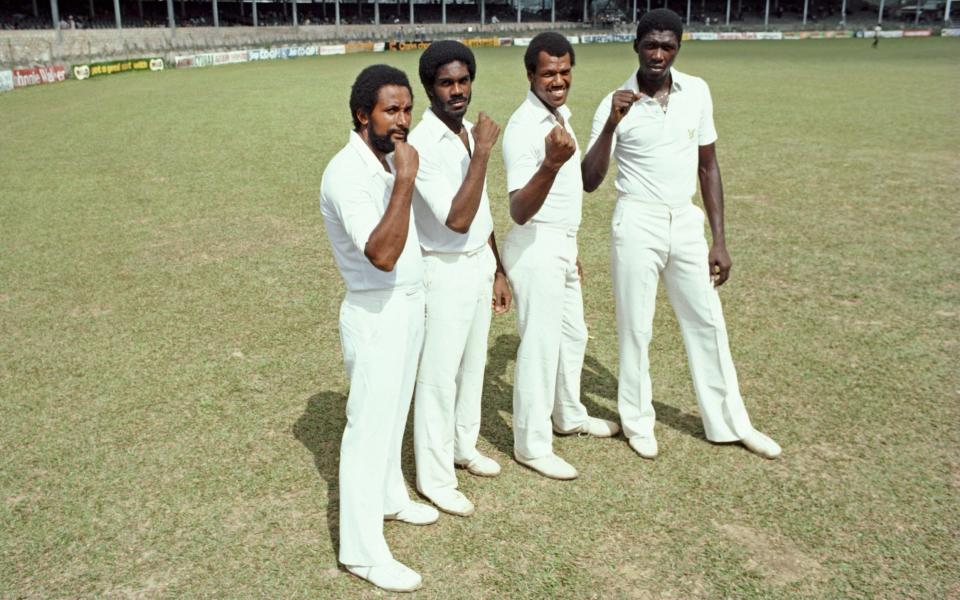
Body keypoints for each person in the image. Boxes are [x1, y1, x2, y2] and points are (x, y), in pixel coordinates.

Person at [581, 9, 782, 461]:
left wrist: (720, 239)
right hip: (636, 221)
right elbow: (589, 179)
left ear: (678, 48)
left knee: (708, 322)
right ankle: (637, 422)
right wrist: (613, 123)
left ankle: (731, 423)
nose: (657, 54)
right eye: (650, 45)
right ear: (635, 45)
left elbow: (708, 166)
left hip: (685, 220)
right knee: (636, 327)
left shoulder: (698, 91)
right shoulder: (614, 102)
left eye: (667, 46)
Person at [319, 64, 439, 593]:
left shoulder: (385, 160)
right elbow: (383, 255)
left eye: (408, 109)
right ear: (362, 114)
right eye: (392, 110)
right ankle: (362, 553)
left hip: (407, 308)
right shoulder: (348, 173)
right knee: (367, 433)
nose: (403, 121)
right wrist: (408, 178)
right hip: (375, 311)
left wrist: (401, 172)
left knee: (393, 419)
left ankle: (390, 498)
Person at [500, 32, 620, 481]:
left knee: (574, 336)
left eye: (565, 71)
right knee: (540, 344)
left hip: (561, 244)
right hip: (535, 245)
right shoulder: (523, 128)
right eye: (548, 73)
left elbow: (581, 185)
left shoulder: (560, 115)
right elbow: (519, 209)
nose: (558, 80)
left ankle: (568, 414)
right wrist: (549, 163)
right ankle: (531, 445)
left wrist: (569, 247)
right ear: (530, 74)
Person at [408, 40, 512, 517]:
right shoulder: (422, 144)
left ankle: (462, 448)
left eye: (464, 80)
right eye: (446, 82)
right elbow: (456, 218)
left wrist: (498, 271)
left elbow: (483, 213)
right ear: (429, 87)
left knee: (474, 367)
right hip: (442, 267)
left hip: (477, 264)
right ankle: (435, 478)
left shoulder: (470, 131)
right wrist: (484, 153)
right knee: (437, 377)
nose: (457, 91)